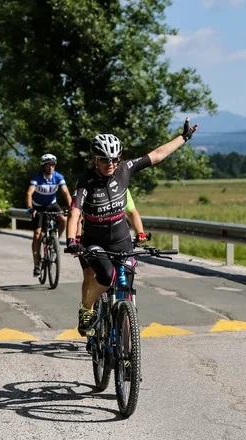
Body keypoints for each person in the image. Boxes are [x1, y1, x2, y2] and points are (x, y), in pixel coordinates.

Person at [66, 118, 198, 335]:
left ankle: (125, 335)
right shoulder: (85, 181)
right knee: (106, 277)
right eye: (105, 160)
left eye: (114, 159)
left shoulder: (124, 169)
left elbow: (157, 154)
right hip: (95, 242)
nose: (110, 164)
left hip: (121, 239)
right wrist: (72, 241)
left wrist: (183, 138)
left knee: (126, 278)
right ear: (95, 160)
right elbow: (75, 212)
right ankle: (86, 308)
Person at [25, 154, 72, 277]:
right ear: (44, 166)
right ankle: (36, 264)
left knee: (63, 220)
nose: (51, 167)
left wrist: (72, 206)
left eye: (52, 165)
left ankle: (55, 240)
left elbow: (66, 192)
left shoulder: (58, 177)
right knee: (37, 234)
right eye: (48, 165)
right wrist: (30, 208)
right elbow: (29, 193)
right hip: (38, 206)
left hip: (52, 204)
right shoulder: (37, 178)